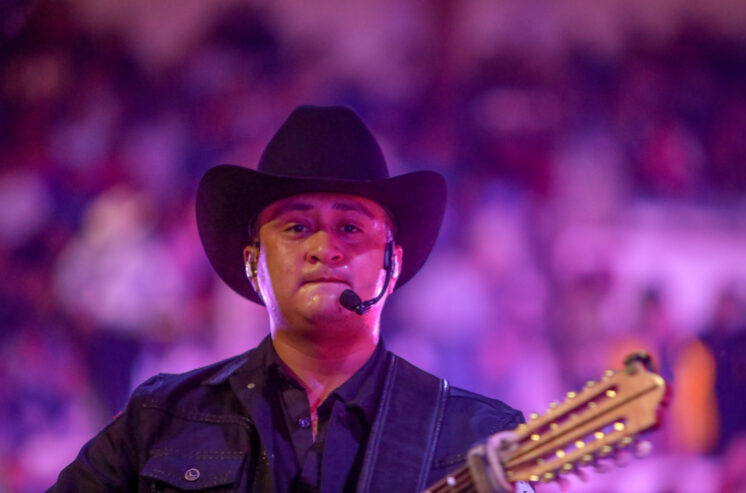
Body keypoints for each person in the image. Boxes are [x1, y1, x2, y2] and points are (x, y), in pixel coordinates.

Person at [49, 105, 530, 493]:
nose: (324, 248)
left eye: (350, 227)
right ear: (252, 261)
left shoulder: (475, 436)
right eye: (297, 228)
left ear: (393, 262)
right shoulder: (159, 418)